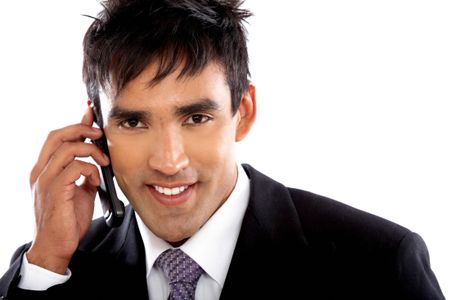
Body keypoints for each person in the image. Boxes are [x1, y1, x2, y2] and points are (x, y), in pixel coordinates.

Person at [0, 0, 445, 299]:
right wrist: (45, 266)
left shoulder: (378, 265)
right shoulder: (56, 270)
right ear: (96, 129)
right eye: (134, 121)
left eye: (195, 118)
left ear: (244, 112)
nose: (168, 162)